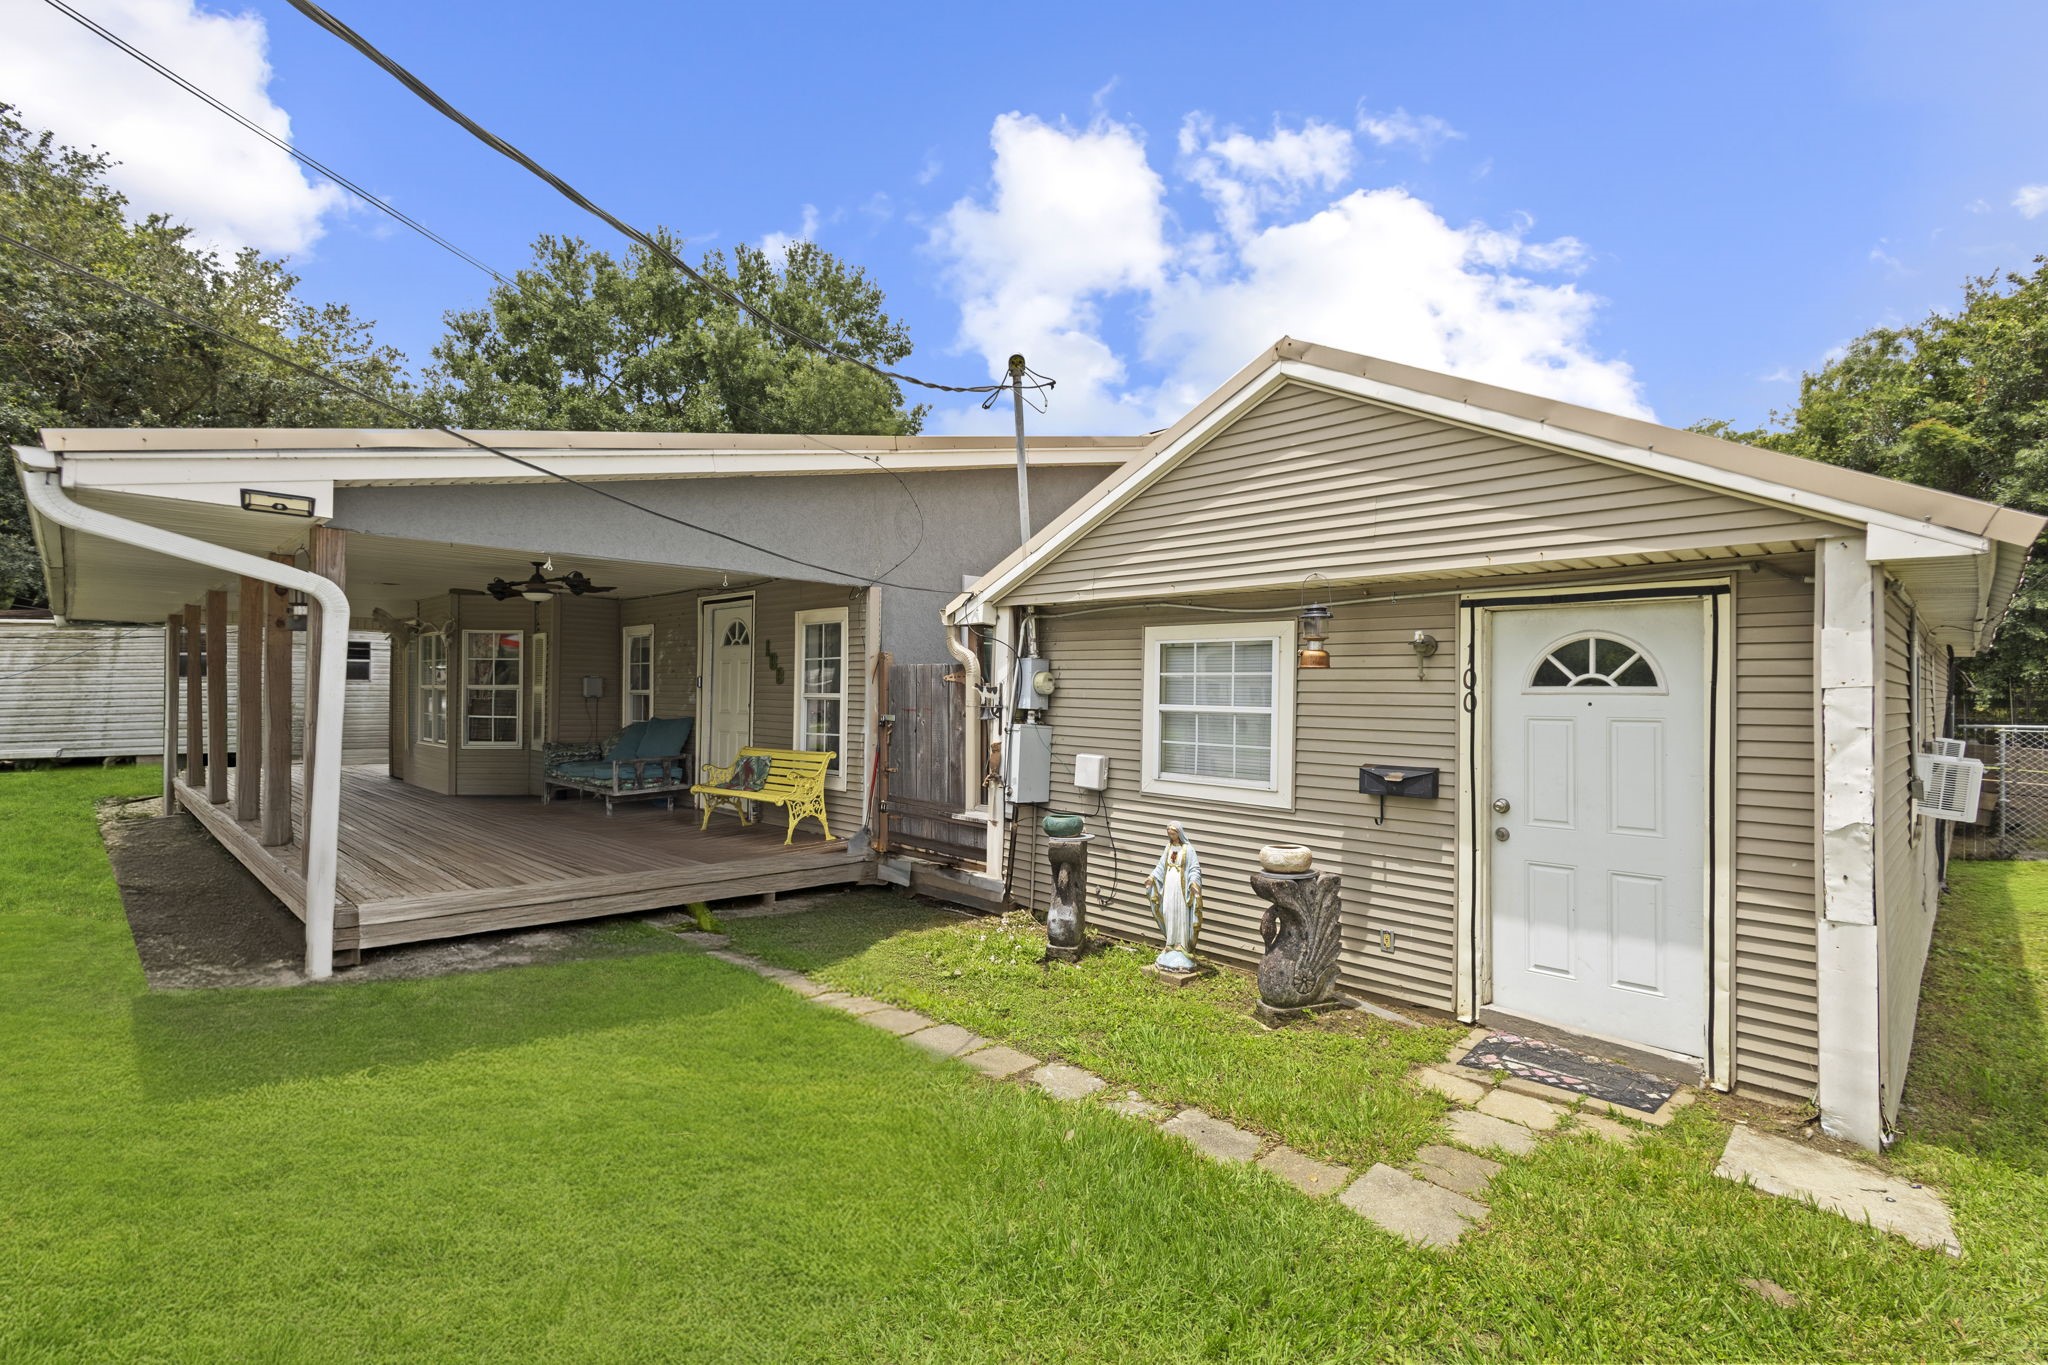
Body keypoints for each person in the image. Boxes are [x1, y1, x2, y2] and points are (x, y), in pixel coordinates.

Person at [1144, 821, 1203, 971]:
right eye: (1169, 833)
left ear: (1179, 833)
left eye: (1173, 833)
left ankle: (1182, 946)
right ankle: (1170, 944)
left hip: (1181, 889)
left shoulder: (1188, 849)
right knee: (1168, 911)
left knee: (1180, 914)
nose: (1171, 836)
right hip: (1169, 886)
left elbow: (1194, 868)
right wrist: (1152, 878)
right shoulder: (1168, 847)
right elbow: (1160, 866)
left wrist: (1194, 884)